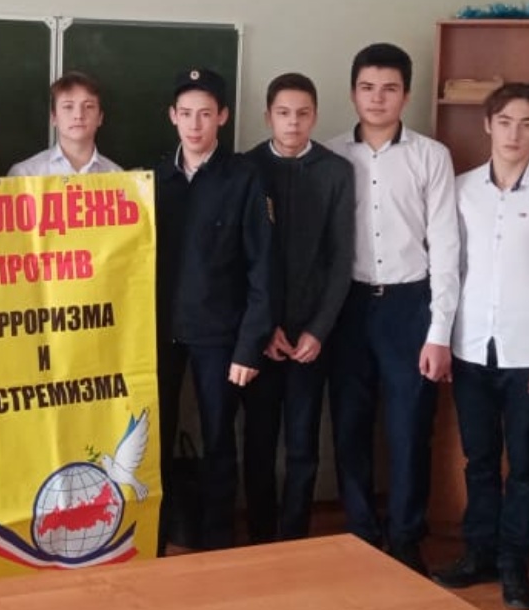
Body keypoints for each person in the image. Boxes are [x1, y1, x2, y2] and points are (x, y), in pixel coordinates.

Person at [432, 83, 529, 610]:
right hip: (471, 348)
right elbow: (449, 269)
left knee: (524, 464)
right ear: (487, 125)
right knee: (478, 459)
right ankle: (479, 552)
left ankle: (515, 563)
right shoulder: (462, 189)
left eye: (526, 124)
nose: (513, 134)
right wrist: (440, 336)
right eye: (504, 122)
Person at [323, 43, 459, 575]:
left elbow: (445, 245)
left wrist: (439, 330)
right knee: (350, 424)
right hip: (347, 306)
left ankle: (406, 536)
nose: (377, 99)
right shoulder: (331, 155)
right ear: (352, 92)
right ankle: (360, 530)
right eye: (367, 88)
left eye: (389, 89)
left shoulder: (432, 156)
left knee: (410, 427)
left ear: (406, 94)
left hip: (409, 305)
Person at [153, 68, 272, 550]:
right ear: (172, 116)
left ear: (222, 116)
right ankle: (157, 534)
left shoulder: (244, 177)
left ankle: (219, 539)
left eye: (205, 114)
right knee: (153, 439)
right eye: (186, 114)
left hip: (221, 336)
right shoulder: (153, 178)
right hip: (159, 334)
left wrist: (250, 345)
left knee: (219, 439)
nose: (195, 124)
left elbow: (263, 267)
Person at [242, 73, 354, 542]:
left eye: (303, 113)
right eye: (283, 113)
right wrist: (261, 329)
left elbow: (341, 259)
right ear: (268, 116)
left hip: (311, 337)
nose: (293, 122)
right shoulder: (247, 168)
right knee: (258, 442)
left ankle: (294, 538)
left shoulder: (335, 171)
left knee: (303, 444)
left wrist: (318, 330)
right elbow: (242, 259)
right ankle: (260, 538)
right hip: (260, 336)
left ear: (315, 116)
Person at [8, 71, 120, 177]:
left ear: (100, 118)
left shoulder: (118, 176)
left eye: (88, 106)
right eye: (68, 107)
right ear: (54, 117)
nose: (78, 115)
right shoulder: (24, 174)